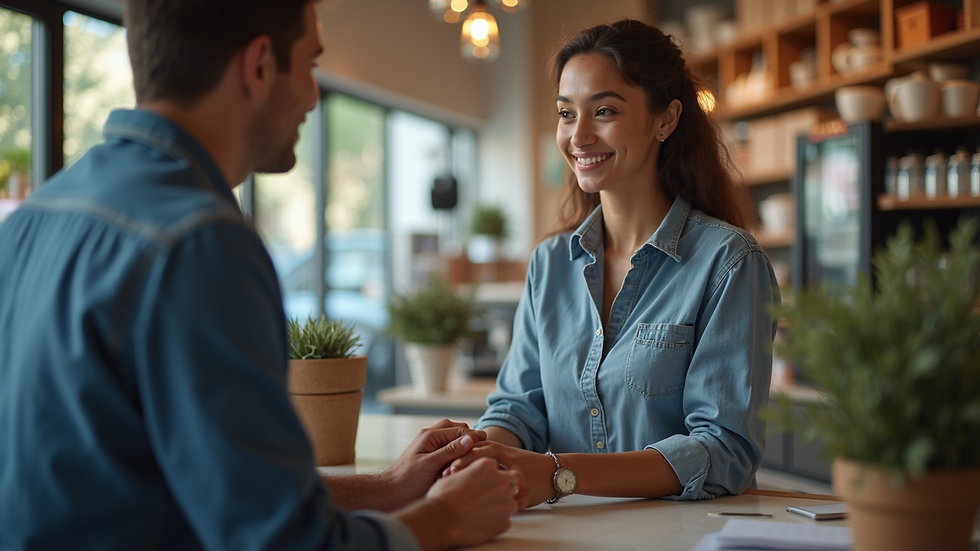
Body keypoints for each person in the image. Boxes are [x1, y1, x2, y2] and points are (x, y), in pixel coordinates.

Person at [0, 1, 522, 550]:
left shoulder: (35, 217)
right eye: (311, 65)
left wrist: (389, 488)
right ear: (259, 65)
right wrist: (446, 519)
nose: (313, 96)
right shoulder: (201, 242)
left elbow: (203, 487)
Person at [446, 19, 779, 506]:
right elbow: (521, 408)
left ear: (665, 119)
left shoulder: (729, 263)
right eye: (566, 113)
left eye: (603, 110)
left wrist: (561, 474)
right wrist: (474, 450)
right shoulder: (549, 263)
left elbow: (724, 450)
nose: (578, 136)